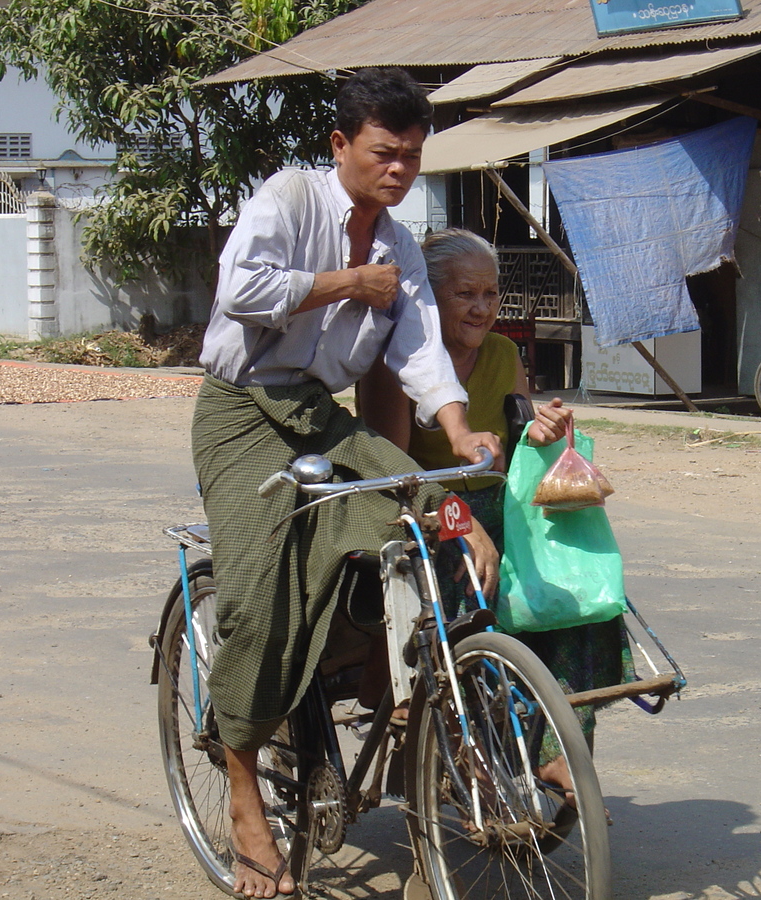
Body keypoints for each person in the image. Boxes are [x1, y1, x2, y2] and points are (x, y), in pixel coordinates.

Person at [192, 71, 501, 899]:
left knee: (423, 518)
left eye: (411, 155)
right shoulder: (290, 199)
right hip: (240, 414)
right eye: (383, 153)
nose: (398, 169)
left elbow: (420, 352)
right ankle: (245, 785)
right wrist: (341, 284)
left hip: (316, 416)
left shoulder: (399, 245)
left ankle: (395, 705)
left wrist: (462, 429)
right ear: (341, 147)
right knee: (257, 597)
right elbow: (238, 288)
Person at [358, 227, 634, 797]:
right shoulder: (394, 364)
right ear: (432, 300)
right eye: (465, 295)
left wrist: (539, 429)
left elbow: (514, 435)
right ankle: (462, 741)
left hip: (497, 501)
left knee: (575, 593)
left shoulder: (504, 353)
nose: (482, 308)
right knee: (468, 582)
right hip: (423, 509)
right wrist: (461, 518)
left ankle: (560, 748)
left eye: (490, 294)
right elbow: (394, 472)